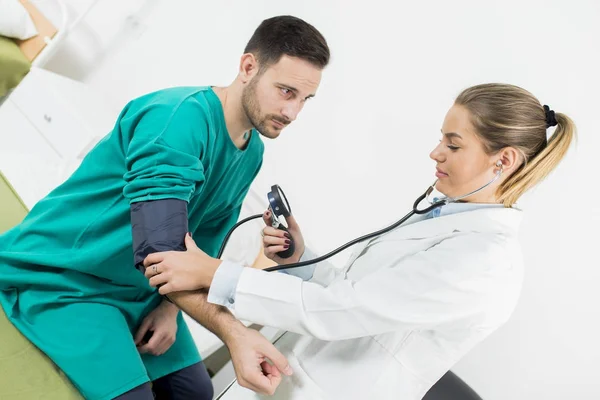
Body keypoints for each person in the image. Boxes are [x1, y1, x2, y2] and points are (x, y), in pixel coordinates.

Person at [142, 83, 576, 399]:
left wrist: (215, 272)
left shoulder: (484, 261)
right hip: (286, 374)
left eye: (453, 144)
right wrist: (301, 257)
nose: (435, 152)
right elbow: (353, 289)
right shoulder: (445, 221)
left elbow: (342, 311)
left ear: (503, 160)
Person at [0, 15, 330, 400]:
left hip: (142, 290)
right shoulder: (176, 120)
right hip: (70, 275)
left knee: (196, 392)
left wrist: (169, 309)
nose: (293, 113)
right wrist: (234, 333)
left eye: (305, 100)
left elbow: (201, 243)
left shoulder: (251, 151)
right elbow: (161, 252)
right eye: (286, 92)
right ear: (248, 67)